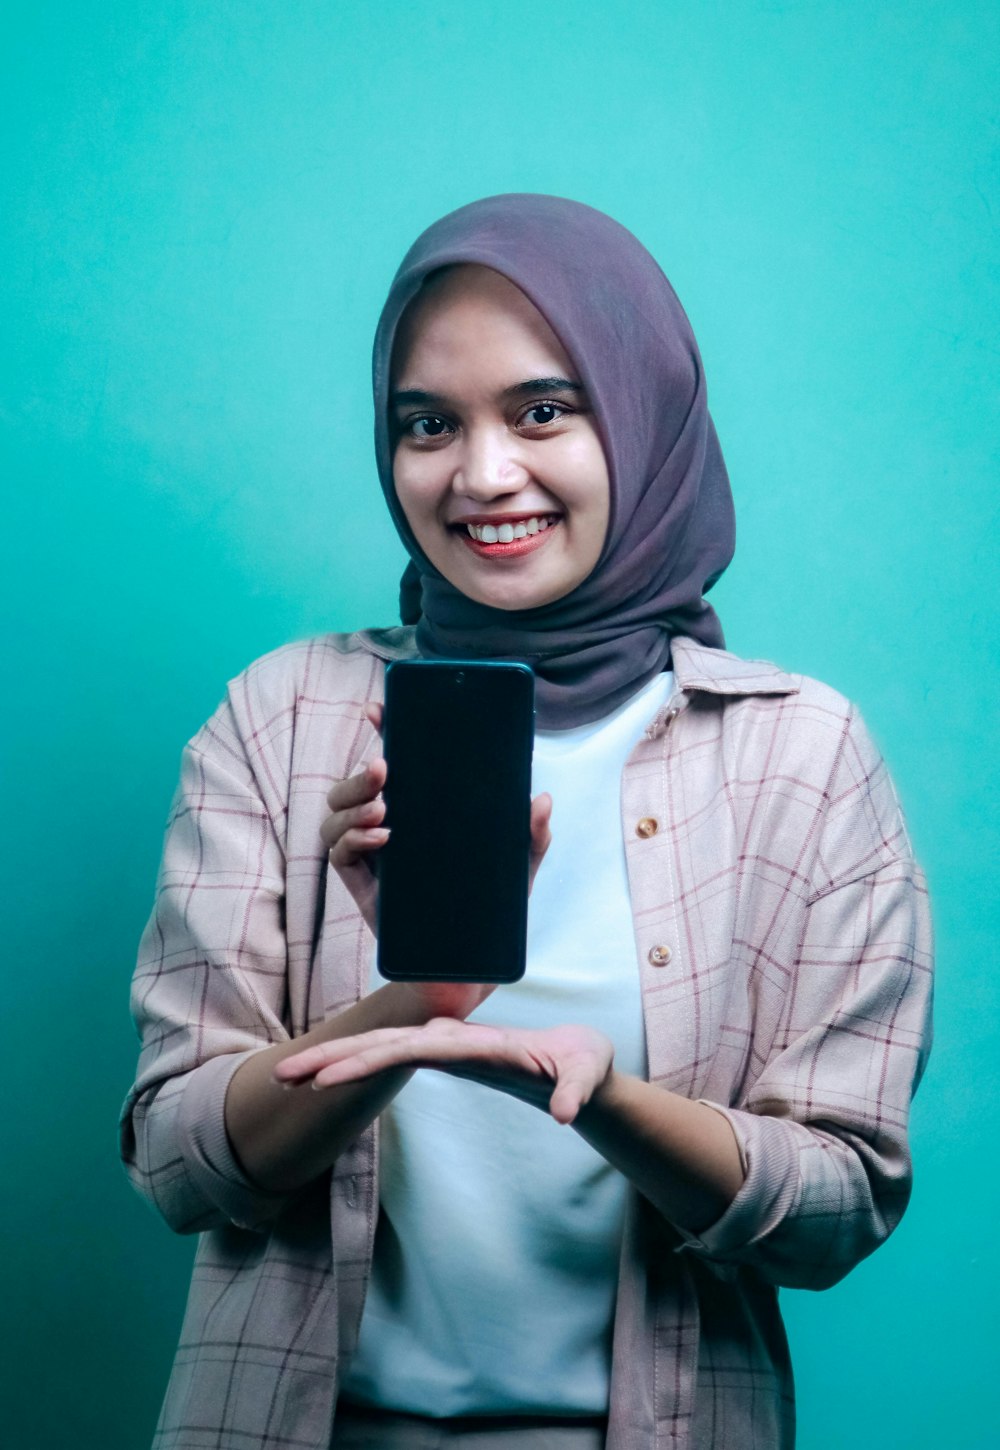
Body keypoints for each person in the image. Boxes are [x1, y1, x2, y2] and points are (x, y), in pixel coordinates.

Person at [120, 194, 933, 1450]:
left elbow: (837, 1209)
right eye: (427, 423)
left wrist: (605, 1100)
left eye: (544, 409)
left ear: (645, 416)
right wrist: (415, 1006)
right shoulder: (278, 718)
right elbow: (180, 1165)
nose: (483, 473)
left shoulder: (800, 755)